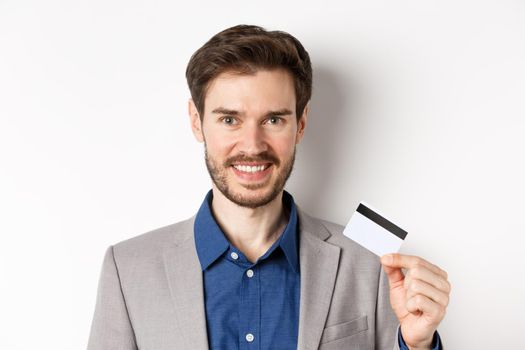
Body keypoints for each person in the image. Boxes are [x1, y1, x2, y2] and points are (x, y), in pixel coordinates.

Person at [87, 24, 451, 350]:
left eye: (273, 119)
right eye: (229, 119)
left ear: (301, 123)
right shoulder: (128, 269)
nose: (252, 144)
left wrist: (417, 347)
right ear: (196, 123)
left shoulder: (371, 262)